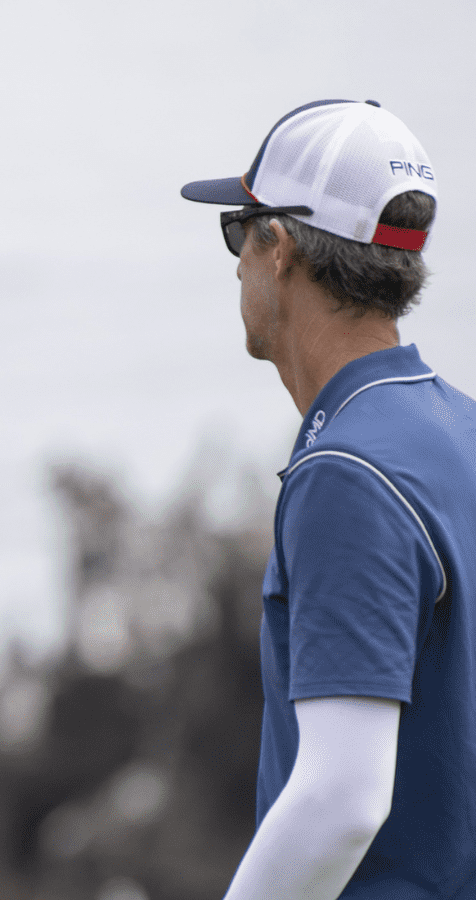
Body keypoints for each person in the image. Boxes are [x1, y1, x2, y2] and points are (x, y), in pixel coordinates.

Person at [182, 100, 476, 899]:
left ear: (276, 247)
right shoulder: (461, 429)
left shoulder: (347, 473)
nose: (237, 258)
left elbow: (342, 802)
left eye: (237, 230)